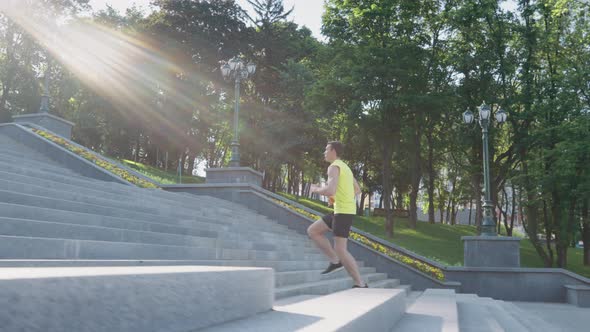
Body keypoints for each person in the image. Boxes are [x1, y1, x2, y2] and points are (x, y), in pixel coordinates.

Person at [308, 141, 367, 288]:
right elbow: (357, 189)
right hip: (340, 210)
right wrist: (338, 198)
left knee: (341, 249)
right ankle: (335, 261)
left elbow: (330, 190)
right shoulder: (345, 167)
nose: (324, 152)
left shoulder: (333, 167)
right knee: (313, 231)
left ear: (333, 151)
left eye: (326, 149)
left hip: (343, 212)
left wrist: (315, 189)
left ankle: (360, 283)